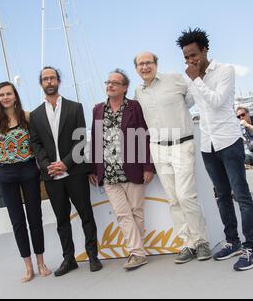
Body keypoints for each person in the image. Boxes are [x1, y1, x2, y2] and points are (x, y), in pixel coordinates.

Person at [177, 27, 253, 271]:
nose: (191, 60)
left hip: (229, 141)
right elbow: (187, 102)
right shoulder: (191, 79)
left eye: (194, 55)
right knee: (221, 195)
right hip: (207, 145)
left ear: (205, 50)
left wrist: (195, 79)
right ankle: (232, 241)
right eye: (186, 58)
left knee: (241, 195)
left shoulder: (225, 71)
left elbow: (216, 101)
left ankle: (252, 248)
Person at [134, 51, 212, 264]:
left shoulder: (175, 79)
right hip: (158, 149)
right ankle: (187, 243)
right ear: (136, 69)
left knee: (187, 195)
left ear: (156, 64)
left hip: (182, 144)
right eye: (140, 64)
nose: (145, 67)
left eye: (148, 62)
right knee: (173, 199)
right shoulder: (138, 91)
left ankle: (201, 241)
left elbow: (191, 99)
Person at [29, 66, 102, 276]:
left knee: (86, 214)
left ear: (58, 81)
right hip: (51, 175)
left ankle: (93, 256)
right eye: (45, 79)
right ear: (41, 84)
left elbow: (81, 139)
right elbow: (36, 144)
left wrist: (66, 163)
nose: (49, 82)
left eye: (52, 78)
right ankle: (69, 259)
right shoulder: (35, 115)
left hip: (75, 172)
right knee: (61, 220)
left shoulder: (75, 107)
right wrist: (48, 166)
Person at [0, 81, 52, 283]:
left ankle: (41, 262)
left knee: (35, 217)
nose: (5, 97)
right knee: (17, 222)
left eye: (8, 93)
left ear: (15, 96)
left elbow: (38, 142)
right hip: (6, 174)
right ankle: (28, 266)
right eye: (1, 95)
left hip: (28, 170)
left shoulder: (27, 117)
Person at [89, 69, 154, 270]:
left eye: (115, 83)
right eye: (108, 82)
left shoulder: (134, 107)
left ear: (125, 87)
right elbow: (95, 140)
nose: (110, 85)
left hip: (133, 169)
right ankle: (137, 253)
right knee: (122, 214)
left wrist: (148, 166)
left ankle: (137, 252)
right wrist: (92, 168)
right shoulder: (98, 109)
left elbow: (143, 136)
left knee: (136, 212)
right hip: (108, 173)